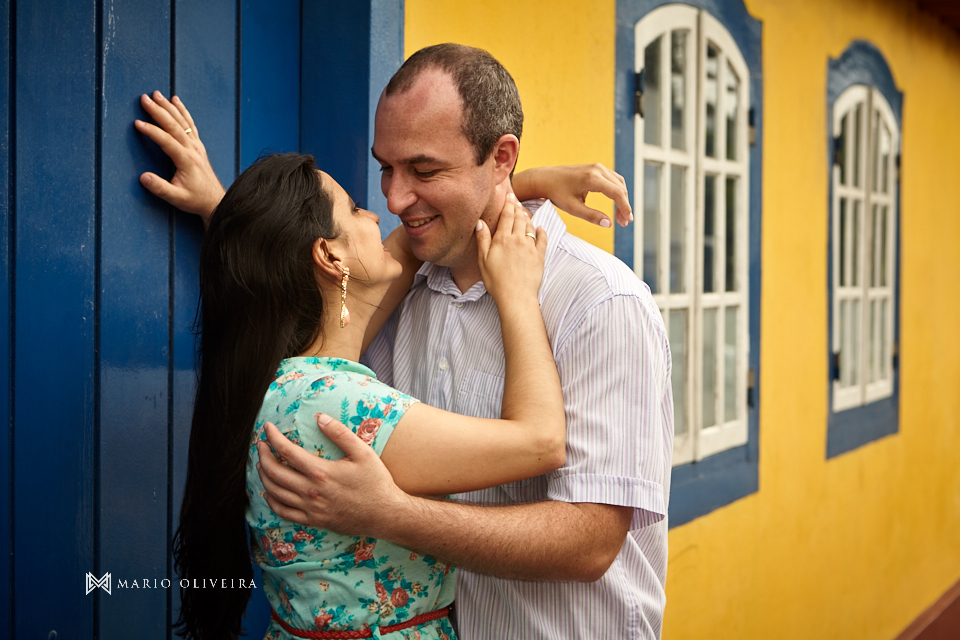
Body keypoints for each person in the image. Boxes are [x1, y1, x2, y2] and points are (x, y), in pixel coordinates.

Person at [136, 42, 670, 639]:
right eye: (385, 169)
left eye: (424, 169)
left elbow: (591, 542)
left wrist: (393, 515)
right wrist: (229, 212)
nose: (391, 201)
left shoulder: (600, 301)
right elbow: (303, 274)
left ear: (501, 158)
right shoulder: (397, 284)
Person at [175, 150, 570, 639]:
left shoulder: (283, 386)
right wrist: (517, 294)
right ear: (329, 256)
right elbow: (541, 441)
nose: (380, 216)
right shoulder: (337, 405)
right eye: (357, 208)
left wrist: (519, 181)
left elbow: (409, 243)